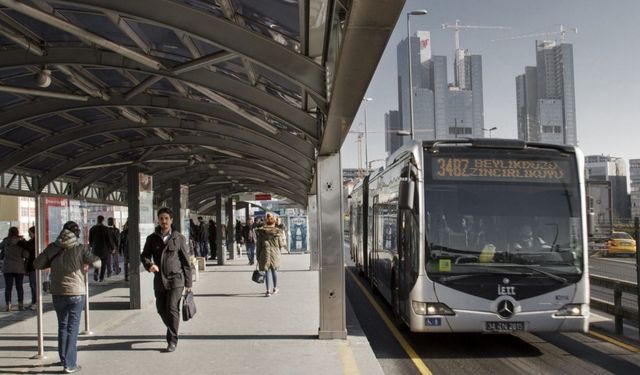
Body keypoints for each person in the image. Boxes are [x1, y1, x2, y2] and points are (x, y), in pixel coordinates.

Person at [34, 221, 101, 374]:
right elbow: (97, 263)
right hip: (76, 293)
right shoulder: (80, 249)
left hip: (58, 292)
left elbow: (37, 264)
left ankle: (64, 358)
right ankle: (70, 364)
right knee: (72, 328)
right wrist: (85, 264)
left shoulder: (53, 247)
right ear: (76, 234)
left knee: (62, 326)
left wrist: (52, 263)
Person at [140, 207, 192, 352]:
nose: (164, 221)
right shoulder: (152, 238)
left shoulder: (179, 238)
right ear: (158, 220)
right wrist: (149, 265)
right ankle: (173, 327)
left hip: (176, 279)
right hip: (159, 280)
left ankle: (172, 340)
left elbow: (186, 262)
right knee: (161, 309)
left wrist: (189, 283)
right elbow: (144, 255)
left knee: (172, 309)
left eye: (166, 219)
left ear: (171, 220)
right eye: (161, 218)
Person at [256, 212, 286, 297]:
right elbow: (281, 244)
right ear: (274, 222)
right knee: (274, 271)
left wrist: (258, 257)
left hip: (264, 254)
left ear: (266, 222)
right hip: (275, 254)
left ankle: (268, 291)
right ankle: (275, 288)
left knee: (267, 272)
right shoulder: (277, 232)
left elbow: (258, 246)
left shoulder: (261, 232)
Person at [1, 227, 28, 311]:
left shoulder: (6, 241)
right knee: (19, 286)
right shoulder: (21, 242)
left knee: (8, 287)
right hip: (19, 267)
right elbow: (26, 255)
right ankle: (20, 304)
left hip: (8, 267)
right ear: (17, 232)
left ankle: (8, 304)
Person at [89, 215, 114, 282]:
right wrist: (112, 248)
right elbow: (109, 240)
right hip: (104, 250)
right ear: (103, 220)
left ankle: (96, 273)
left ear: (97, 220)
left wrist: (92, 246)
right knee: (103, 265)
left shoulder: (92, 229)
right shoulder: (106, 229)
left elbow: (90, 240)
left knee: (97, 262)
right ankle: (101, 278)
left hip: (95, 250)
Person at [24, 226, 37, 310]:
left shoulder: (35, 242)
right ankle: (33, 302)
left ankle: (35, 302)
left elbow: (28, 247)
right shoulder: (32, 241)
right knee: (32, 285)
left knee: (34, 285)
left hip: (34, 266)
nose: (29, 235)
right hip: (32, 266)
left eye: (30, 233)